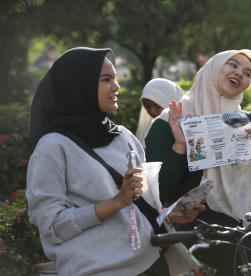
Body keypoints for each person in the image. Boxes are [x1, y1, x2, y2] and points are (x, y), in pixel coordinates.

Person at [145, 49, 251, 275]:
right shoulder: (168, 123)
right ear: (213, 68)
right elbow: (161, 189)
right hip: (195, 224)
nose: (240, 73)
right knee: (240, 258)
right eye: (233, 65)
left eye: (248, 72)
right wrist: (180, 145)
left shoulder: (245, 120)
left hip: (248, 218)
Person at [26, 47, 161, 275]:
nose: (116, 86)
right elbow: (51, 225)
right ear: (79, 86)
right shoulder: (53, 147)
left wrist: (177, 210)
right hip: (97, 269)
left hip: (149, 259)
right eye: (106, 79)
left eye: (116, 79)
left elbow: (143, 200)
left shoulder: (123, 136)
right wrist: (116, 202)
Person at [135, 78, 184, 148]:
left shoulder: (189, 129)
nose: (152, 111)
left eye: (158, 105)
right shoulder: (149, 129)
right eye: (147, 106)